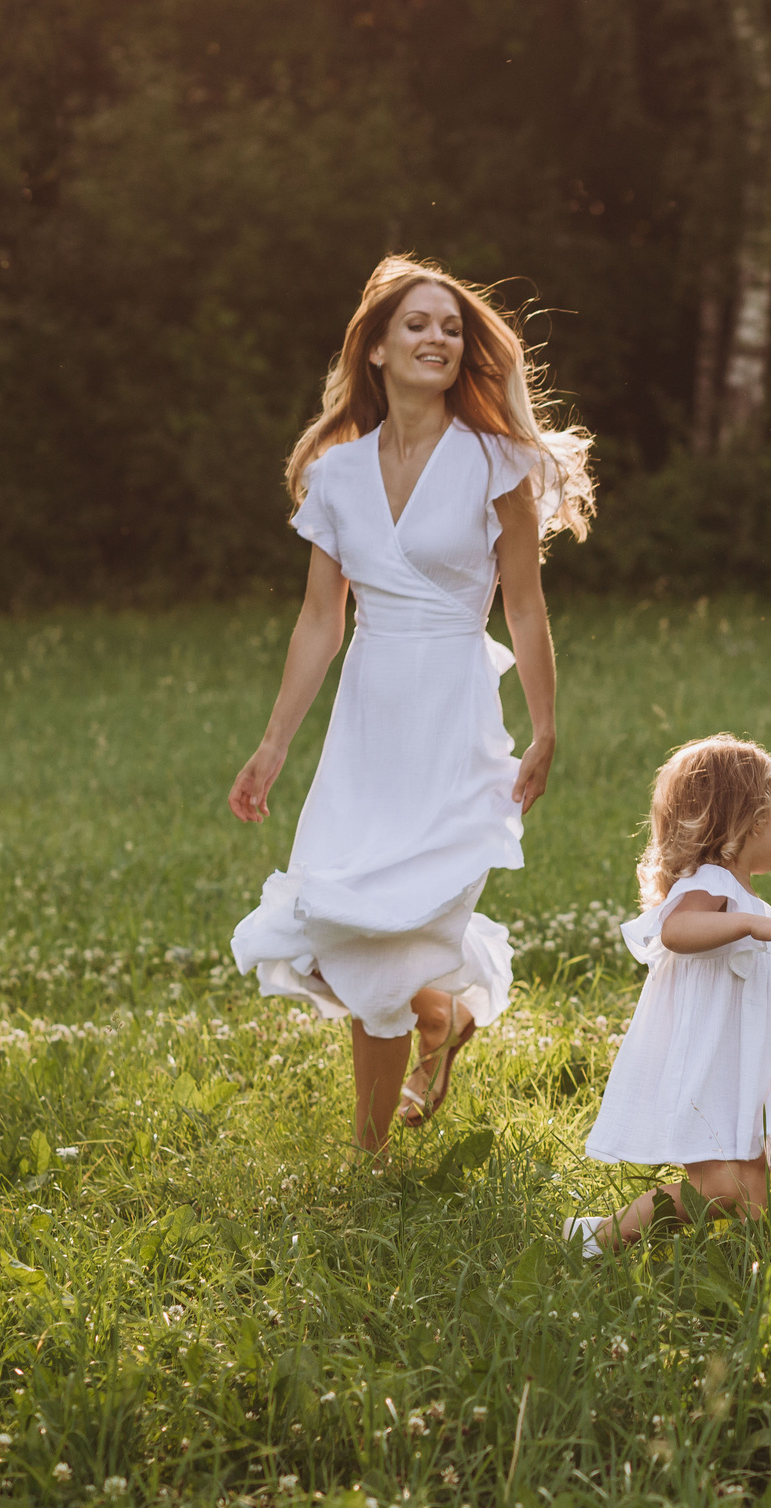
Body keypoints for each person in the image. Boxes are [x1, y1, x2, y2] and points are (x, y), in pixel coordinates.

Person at [227, 255, 594, 1156]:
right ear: (377, 349)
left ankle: (370, 1156)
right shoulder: (337, 474)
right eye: (418, 324)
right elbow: (321, 620)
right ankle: (442, 1015)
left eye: (452, 328)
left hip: (451, 716)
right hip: (367, 723)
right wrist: (273, 744)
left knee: (390, 932)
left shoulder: (494, 460)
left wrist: (546, 726)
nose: (439, 338)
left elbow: (525, 606)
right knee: (332, 920)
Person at [566, 736, 771, 1254]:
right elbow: (676, 931)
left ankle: (757, 1265)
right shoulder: (710, 883)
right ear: (752, 822)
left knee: (751, 1182)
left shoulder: (746, 903)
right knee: (720, 1188)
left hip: (736, 1074)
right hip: (706, 1070)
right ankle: (598, 1236)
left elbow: (767, 989)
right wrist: (749, 924)